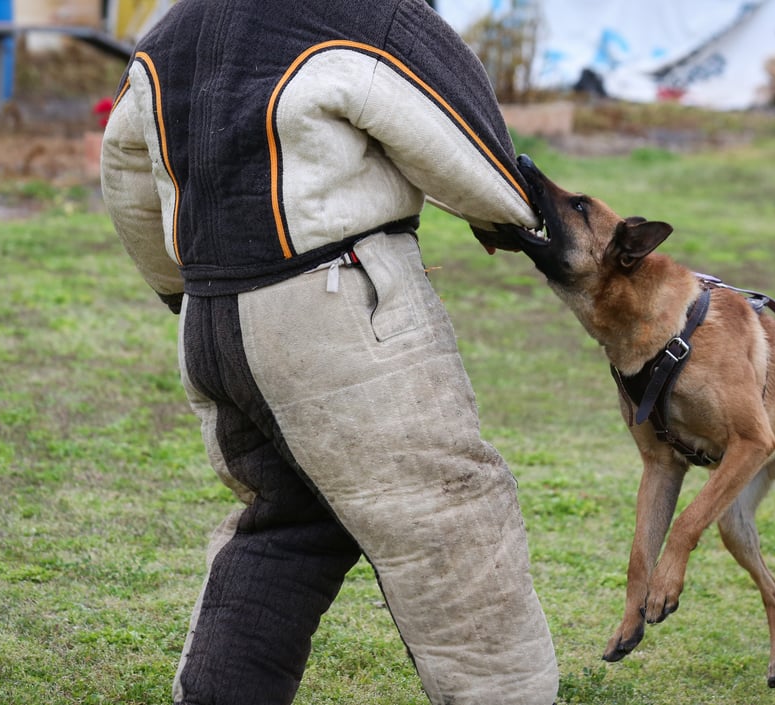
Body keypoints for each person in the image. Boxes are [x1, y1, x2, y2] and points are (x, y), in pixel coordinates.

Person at [98, 1, 558, 704]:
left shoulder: (169, 27)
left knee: (287, 524)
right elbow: (468, 146)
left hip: (212, 316)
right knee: (449, 522)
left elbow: (126, 172)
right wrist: (513, 216)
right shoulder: (363, 9)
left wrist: (180, 292)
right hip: (333, 304)